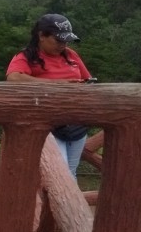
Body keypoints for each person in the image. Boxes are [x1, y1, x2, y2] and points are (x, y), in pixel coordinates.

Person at [6, 13, 94, 179]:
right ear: (41, 35)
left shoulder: (71, 55)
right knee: (60, 174)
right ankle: (66, 204)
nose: (63, 45)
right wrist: (56, 84)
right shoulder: (26, 56)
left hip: (76, 123)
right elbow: (14, 78)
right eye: (58, 40)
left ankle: (59, 204)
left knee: (70, 172)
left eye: (66, 41)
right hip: (47, 125)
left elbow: (86, 79)